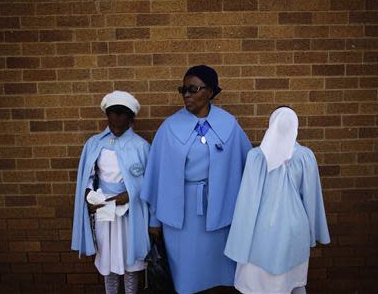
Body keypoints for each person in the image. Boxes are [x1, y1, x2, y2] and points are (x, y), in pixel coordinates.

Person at [140, 65, 252, 294]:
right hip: (182, 216)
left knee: (222, 273)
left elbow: (249, 167)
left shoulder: (229, 124)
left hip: (220, 210)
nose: (187, 95)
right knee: (186, 277)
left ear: (210, 92)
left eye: (193, 89)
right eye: (183, 90)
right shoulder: (169, 128)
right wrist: (154, 220)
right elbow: (156, 177)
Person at [224, 106, 331, 294]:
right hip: (295, 228)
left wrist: (239, 239)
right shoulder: (305, 156)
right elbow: (312, 199)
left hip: (259, 230)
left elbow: (246, 201)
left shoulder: (256, 157)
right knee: (290, 282)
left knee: (257, 281)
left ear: (270, 124)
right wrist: (313, 232)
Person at [71, 91, 150, 294]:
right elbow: (88, 176)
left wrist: (129, 195)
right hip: (104, 211)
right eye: (112, 113)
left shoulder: (141, 146)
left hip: (129, 214)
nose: (116, 119)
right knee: (107, 260)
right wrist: (89, 194)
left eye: (123, 114)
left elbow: (149, 183)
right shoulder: (95, 144)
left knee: (129, 260)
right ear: (107, 115)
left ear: (131, 118)